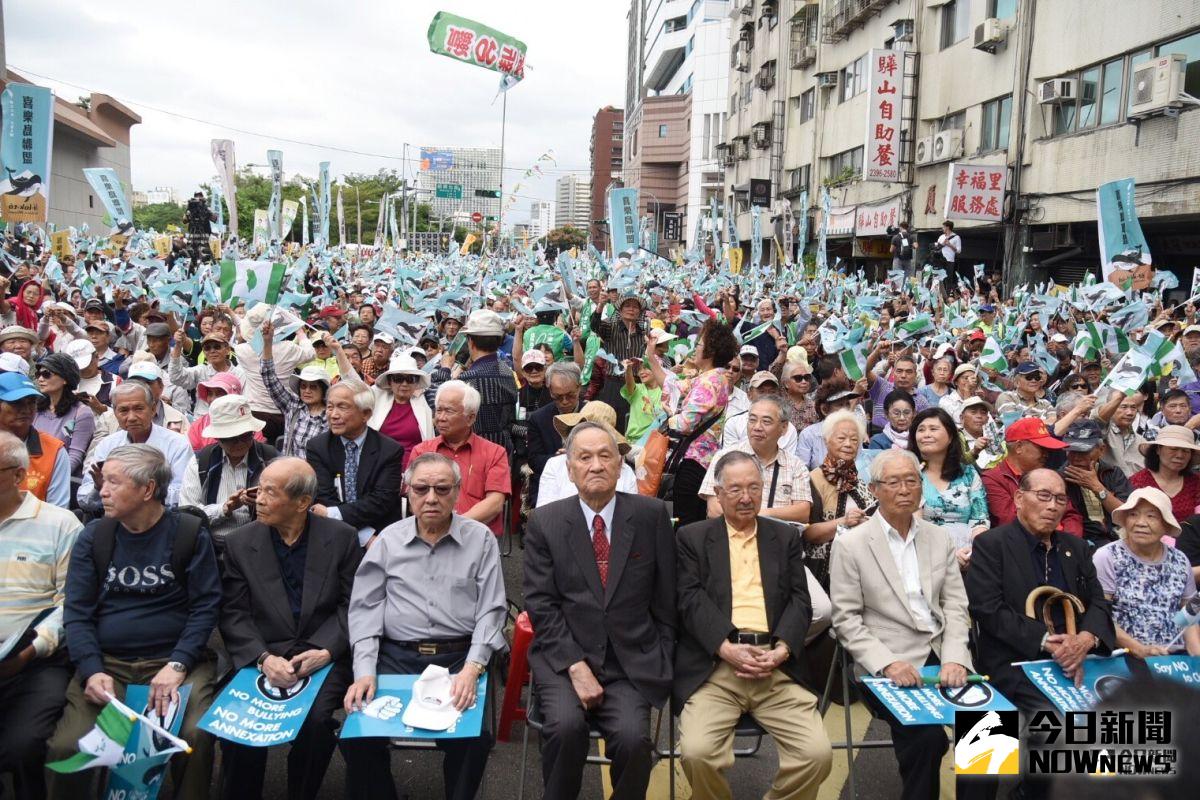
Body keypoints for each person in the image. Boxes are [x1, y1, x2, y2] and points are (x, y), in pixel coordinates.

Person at [49, 445, 221, 800]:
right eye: (103, 481)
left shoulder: (188, 533)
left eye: (114, 482)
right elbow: (77, 611)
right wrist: (91, 669)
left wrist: (178, 663)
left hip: (176, 662)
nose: (102, 490)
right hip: (108, 664)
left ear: (147, 489)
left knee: (196, 736)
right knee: (68, 747)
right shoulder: (95, 535)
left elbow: (206, 607)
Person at [523, 421, 676, 800]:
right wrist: (575, 667)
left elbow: (666, 597)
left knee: (633, 740)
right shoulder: (545, 522)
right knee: (565, 729)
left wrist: (661, 655)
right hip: (565, 659)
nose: (595, 465)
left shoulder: (651, 516)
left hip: (629, 661)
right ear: (569, 469)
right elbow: (541, 603)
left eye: (605, 456)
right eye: (584, 457)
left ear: (620, 466)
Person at [343, 453, 506, 800]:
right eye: (421, 489)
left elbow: (492, 610)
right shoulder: (388, 540)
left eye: (442, 489)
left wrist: (473, 667)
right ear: (407, 491)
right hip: (396, 658)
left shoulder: (480, 539)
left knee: (475, 740)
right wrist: (364, 670)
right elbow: (365, 609)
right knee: (357, 735)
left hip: (459, 657)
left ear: (457, 491)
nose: (431, 498)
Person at [675, 451, 832, 800]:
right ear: (718, 494)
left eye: (754, 488)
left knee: (817, 756)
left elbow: (800, 600)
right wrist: (724, 647)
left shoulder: (783, 537)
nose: (746, 497)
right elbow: (689, 599)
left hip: (775, 667)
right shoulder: (693, 537)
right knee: (697, 753)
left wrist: (783, 649)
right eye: (735, 489)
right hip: (717, 668)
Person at [830, 448, 973, 800]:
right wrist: (888, 663)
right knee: (928, 739)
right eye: (894, 482)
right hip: (887, 660)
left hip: (941, 652)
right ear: (874, 490)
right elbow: (846, 619)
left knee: (992, 729)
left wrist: (956, 657)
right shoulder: (851, 545)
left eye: (912, 481)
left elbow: (956, 606)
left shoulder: (938, 537)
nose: (905, 489)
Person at [965, 468, 1115, 800]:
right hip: (1011, 662)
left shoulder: (1076, 547)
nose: (1052, 506)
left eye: (1060, 499)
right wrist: (1047, 641)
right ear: (1019, 498)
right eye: (1043, 496)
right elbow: (987, 609)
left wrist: (1085, 639)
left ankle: (1031, 792)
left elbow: (1098, 604)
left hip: (1074, 662)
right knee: (990, 732)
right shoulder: (991, 544)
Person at [218, 457, 362, 800]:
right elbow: (233, 612)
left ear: (302, 502)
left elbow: (354, 604)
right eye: (259, 489)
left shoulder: (341, 538)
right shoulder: (240, 542)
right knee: (237, 724)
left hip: (323, 653)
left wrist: (326, 651)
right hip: (263, 652)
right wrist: (263, 658)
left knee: (316, 723)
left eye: (271, 492)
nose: (259, 499)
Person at [0, 431, 83, 800]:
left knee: (25, 745)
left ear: (19, 475)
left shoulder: (60, 524)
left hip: (34, 660)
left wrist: (31, 650)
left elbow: (71, 603)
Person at [1093, 488, 1200, 659]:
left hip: (1173, 658)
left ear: (1166, 525)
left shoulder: (1180, 560)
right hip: (1123, 657)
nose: (1141, 523)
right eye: (1133, 515)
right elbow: (1099, 615)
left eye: (1151, 516)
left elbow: (1188, 613)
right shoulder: (1107, 557)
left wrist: (1196, 655)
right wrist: (1140, 649)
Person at [306, 378, 403, 547]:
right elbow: (324, 498)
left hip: (381, 535)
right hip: (334, 534)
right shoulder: (318, 447)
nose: (333, 415)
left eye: (342, 407)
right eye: (330, 407)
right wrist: (364, 536)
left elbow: (381, 501)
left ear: (366, 414)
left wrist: (331, 513)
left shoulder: (389, 450)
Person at [410, 381, 511, 536]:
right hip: (431, 535)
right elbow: (414, 497)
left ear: (470, 418)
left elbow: (495, 502)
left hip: (477, 535)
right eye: (438, 410)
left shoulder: (494, 453)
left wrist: (453, 527)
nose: (441, 418)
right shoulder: (422, 451)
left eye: (449, 411)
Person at [78, 382, 195, 514]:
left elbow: (183, 495)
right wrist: (98, 488)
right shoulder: (107, 445)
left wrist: (128, 490)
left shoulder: (177, 444)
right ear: (114, 413)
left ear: (153, 409)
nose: (132, 417)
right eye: (123, 410)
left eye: (139, 408)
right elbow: (84, 499)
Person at [179, 395, 278, 547]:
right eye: (230, 438)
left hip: (260, 545)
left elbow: (286, 507)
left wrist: (262, 502)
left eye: (245, 436)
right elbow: (188, 514)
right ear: (217, 438)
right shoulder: (200, 462)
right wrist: (225, 508)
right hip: (211, 545)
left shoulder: (270, 459)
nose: (239, 443)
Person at [699, 395, 813, 526]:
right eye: (752, 420)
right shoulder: (724, 458)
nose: (757, 427)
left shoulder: (795, 465)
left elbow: (803, 513)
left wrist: (760, 515)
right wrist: (756, 517)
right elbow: (714, 510)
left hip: (776, 536)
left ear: (784, 427)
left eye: (766, 421)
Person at [667, 319, 738, 526]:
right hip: (706, 460)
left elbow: (684, 424)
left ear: (710, 350)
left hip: (694, 460)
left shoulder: (708, 382)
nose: (695, 348)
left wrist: (671, 417)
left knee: (684, 523)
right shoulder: (719, 378)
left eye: (698, 344)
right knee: (696, 522)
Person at [803, 409, 875, 589]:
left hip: (863, 565)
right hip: (826, 567)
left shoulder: (862, 479)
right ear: (826, 441)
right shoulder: (812, 480)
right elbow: (808, 533)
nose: (848, 444)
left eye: (854, 439)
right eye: (841, 438)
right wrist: (844, 522)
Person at [908, 408, 989, 566]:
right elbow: (913, 524)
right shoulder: (911, 474)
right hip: (925, 552)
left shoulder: (968, 473)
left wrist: (974, 551)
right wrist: (947, 556)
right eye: (921, 430)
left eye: (933, 429)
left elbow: (980, 518)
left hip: (968, 550)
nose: (926, 435)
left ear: (950, 436)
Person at [430, 309, 518, 451]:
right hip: (503, 450)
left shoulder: (468, 379)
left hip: (474, 452)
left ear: (470, 342)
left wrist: (445, 369)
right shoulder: (508, 373)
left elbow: (436, 403)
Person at [236, 304, 316, 442]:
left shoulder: (242, 350)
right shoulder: (288, 348)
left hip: (255, 413)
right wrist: (300, 332)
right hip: (283, 412)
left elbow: (244, 338)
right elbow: (310, 354)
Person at [536, 401, 637, 506]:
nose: (596, 467)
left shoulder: (625, 470)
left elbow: (630, 510)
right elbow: (546, 511)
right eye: (585, 457)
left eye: (604, 455)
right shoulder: (555, 465)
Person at [1056, 419, 1133, 548]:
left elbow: (1127, 514)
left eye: (1084, 451)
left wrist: (1097, 487)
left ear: (1101, 450)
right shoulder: (1059, 479)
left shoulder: (1112, 473)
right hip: (1082, 543)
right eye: (1072, 451)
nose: (1076, 457)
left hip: (1119, 537)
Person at [981, 417, 1068, 528]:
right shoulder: (993, 479)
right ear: (1019, 447)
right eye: (1041, 448)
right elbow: (1011, 520)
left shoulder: (1048, 476)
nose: (1046, 454)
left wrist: (1068, 536)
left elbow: (1071, 514)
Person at [0, 372, 70, 508]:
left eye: (31, 402)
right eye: (16, 403)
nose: (26, 410)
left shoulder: (54, 451)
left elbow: (58, 512)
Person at [262, 322, 331, 458]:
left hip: (316, 470)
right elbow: (269, 377)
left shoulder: (330, 416)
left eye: (313, 387)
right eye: (303, 386)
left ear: (323, 390)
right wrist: (267, 343)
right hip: (289, 469)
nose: (307, 391)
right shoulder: (293, 406)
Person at [89, 360, 187, 452]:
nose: (142, 387)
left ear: (161, 386)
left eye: (148, 383)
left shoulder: (178, 418)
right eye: (135, 383)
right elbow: (94, 456)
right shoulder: (108, 419)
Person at [366, 352, 433, 470]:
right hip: (379, 466)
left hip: (414, 469)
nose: (404, 384)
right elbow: (352, 386)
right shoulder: (376, 397)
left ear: (417, 382)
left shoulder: (424, 402)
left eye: (411, 379)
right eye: (398, 379)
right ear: (390, 381)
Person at [32, 352, 95, 477]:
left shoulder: (82, 413)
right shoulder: (35, 408)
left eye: (46, 374)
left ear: (65, 379)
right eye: (38, 374)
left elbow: (75, 455)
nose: (40, 379)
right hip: (31, 475)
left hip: (59, 478)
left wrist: (52, 480)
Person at [527, 361, 582, 495]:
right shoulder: (538, 419)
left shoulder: (592, 413)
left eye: (570, 395)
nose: (564, 401)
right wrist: (559, 459)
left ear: (579, 387)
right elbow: (534, 460)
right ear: (550, 390)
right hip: (552, 485)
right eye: (558, 397)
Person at [1129, 424, 1200, 526]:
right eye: (1173, 449)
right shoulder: (1138, 482)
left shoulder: (1196, 482)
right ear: (1158, 449)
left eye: (1185, 451)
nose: (1180, 455)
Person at [168, 331, 246, 416]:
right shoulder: (201, 371)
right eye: (207, 348)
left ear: (227, 350)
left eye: (217, 347)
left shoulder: (239, 374)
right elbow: (176, 377)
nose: (212, 351)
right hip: (203, 420)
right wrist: (178, 346)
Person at [721, 371, 799, 452]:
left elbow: (787, 458)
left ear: (778, 395)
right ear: (749, 394)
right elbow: (730, 456)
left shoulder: (787, 428)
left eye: (772, 392)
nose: (767, 396)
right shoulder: (734, 423)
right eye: (761, 391)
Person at [1096, 388, 1147, 476]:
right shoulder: (1102, 433)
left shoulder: (1142, 442)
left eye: (1133, 407)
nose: (1129, 413)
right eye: (1123, 407)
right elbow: (1098, 421)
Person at [781, 359, 817, 430]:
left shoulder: (813, 406)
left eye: (807, 377)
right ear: (786, 383)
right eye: (798, 378)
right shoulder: (778, 404)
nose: (804, 382)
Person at [518, 349, 552, 415]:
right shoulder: (518, 396)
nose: (534, 371)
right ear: (523, 372)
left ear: (545, 369)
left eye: (538, 367)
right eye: (529, 368)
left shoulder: (554, 393)